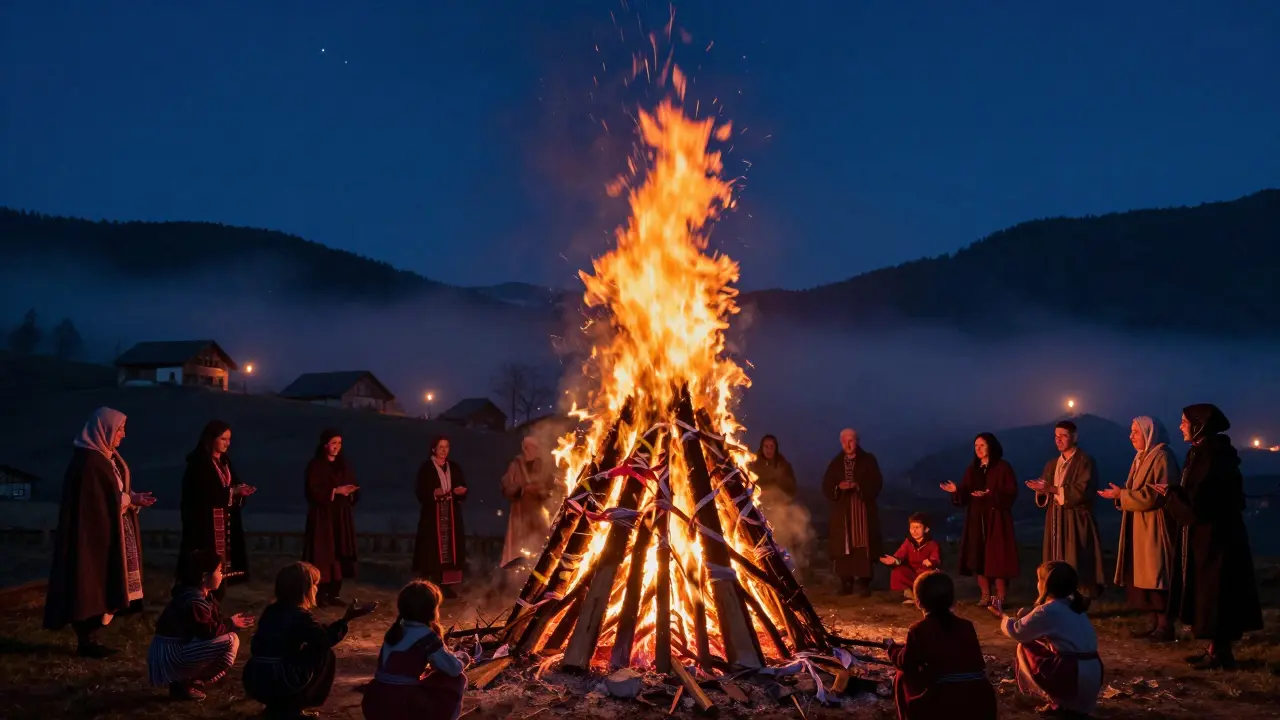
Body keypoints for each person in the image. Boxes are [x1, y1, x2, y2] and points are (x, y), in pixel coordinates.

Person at [1151, 404, 1263, 670]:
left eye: (1184, 422)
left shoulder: (1213, 455)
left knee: (1217, 592)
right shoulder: (1202, 452)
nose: (1180, 426)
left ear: (1199, 424)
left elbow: (1200, 503)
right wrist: (1175, 492)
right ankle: (1214, 649)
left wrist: (1170, 495)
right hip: (1207, 535)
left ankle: (1221, 653)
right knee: (1208, 591)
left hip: (1217, 537)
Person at [43, 407, 156, 658]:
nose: (123, 435)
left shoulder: (106, 458)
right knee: (91, 582)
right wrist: (128, 499)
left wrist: (131, 498)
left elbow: (111, 494)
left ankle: (92, 636)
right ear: (104, 429)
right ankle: (87, 639)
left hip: (107, 532)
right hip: (92, 538)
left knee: (105, 582)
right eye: (120, 429)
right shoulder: (89, 462)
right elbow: (95, 502)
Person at [242, 561, 378, 718]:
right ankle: (293, 708)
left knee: (307, 651)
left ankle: (276, 707)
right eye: (315, 584)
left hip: (254, 678)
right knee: (324, 654)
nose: (317, 589)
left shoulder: (271, 610)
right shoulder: (300, 615)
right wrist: (347, 619)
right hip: (278, 677)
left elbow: (317, 634)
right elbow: (324, 639)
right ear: (304, 589)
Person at [1097, 416, 1179, 641]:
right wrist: (1122, 492)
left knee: (1156, 574)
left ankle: (1165, 626)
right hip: (1140, 523)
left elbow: (1155, 495)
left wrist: (1121, 495)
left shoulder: (1162, 457)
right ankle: (1154, 624)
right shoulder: (1141, 457)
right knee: (1143, 575)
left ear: (1149, 433)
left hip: (1154, 525)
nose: (1131, 436)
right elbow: (1138, 490)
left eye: (1136, 432)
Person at [885, 571, 997, 720]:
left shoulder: (919, 629)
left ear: (918, 602)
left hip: (944, 703)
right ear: (953, 601)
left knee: (902, 675)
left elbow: (906, 663)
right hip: (981, 700)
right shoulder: (966, 626)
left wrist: (892, 648)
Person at [1000, 561, 1103, 718]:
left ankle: (1058, 700)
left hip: (1074, 675)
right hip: (1093, 672)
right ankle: (1067, 704)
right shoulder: (1073, 606)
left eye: (1039, 580)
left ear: (1045, 585)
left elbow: (1017, 632)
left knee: (1025, 646)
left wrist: (1002, 615)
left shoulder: (1049, 610)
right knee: (1046, 645)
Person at [148, 549, 254, 700]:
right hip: (170, 653)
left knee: (228, 638)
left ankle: (185, 682)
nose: (222, 574)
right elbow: (208, 631)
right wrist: (231, 623)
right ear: (205, 576)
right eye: (219, 570)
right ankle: (188, 682)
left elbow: (211, 625)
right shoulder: (194, 601)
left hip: (173, 648)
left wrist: (229, 622)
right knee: (231, 640)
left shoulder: (199, 596)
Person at [361, 580, 471, 720]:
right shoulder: (426, 636)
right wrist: (462, 657)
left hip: (374, 698)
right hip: (401, 702)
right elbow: (453, 668)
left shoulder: (396, 630)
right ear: (431, 609)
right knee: (457, 679)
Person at [177, 420, 256, 602]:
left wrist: (240, 491)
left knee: (221, 573)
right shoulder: (199, 465)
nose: (227, 443)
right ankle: (197, 607)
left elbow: (232, 484)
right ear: (211, 439)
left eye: (229, 439)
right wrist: (231, 492)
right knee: (203, 573)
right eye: (223, 439)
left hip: (224, 524)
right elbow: (201, 495)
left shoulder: (225, 463)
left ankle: (214, 610)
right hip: (204, 527)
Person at [1025, 421, 1105, 598]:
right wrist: (1041, 491)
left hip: (1075, 519)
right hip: (1055, 519)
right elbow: (1046, 490)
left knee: (1076, 558)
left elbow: (1082, 490)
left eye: (1063, 435)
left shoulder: (1085, 461)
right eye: (1056, 436)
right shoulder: (1052, 464)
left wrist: (1052, 489)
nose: (1058, 439)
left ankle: (1078, 597)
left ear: (1074, 437)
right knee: (1054, 558)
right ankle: (1054, 594)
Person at [941, 432, 1020, 608]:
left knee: (997, 558)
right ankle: (985, 595)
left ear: (991, 446)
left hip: (996, 517)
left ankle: (1000, 596)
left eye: (982, 445)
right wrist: (957, 490)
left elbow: (1011, 492)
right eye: (976, 446)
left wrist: (991, 495)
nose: (978, 449)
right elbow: (966, 493)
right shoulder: (973, 469)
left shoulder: (1003, 468)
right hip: (976, 517)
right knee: (978, 556)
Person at [821, 428, 884, 596]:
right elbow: (827, 486)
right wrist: (838, 487)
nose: (848, 444)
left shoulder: (868, 460)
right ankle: (846, 582)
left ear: (857, 441)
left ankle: (863, 583)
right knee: (843, 545)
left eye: (851, 441)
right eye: (845, 441)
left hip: (862, 510)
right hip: (842, 511)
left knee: (863, 543)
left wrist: (859, 486)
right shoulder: (835, 463)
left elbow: (877, 482)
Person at [303, 428, 361, 607]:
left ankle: (334, 593)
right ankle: (319, 594)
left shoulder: (343, 465)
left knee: (339, 552)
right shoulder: (316, 465)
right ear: (325, 444)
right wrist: (335, 491)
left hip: (341, 515)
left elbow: (352, 484)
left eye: (340, 443)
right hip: (323, 517)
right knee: (323, 553)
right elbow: (312, 490)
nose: (337, 447)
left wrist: (351, 492)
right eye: (334, 443)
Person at [413, 436, 469, 598]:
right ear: (433, 449)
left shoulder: (454, 467)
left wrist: (461, 491)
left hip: (451, 512)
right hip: (433, 514)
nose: (444, 450)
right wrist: (433, 493)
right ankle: (430, 584)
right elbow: (420, 490)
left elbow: (462, 485)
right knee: (432, 548)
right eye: (441, 447)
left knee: (451, 549)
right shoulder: (426, 468)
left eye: (446, 447)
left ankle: (446, 585)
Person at [499, 437, 556, 570]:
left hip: (538, 510)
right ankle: (516, 573)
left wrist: (542, 491)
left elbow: (550, 487)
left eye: (537, 447)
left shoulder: (542, 466)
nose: (536, 450)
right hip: (520, 511)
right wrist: (522, 489)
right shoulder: (515, 465)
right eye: (532, 447)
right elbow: (506, 487)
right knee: (519, 547)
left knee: (541, 544)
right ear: (525, 448)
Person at [880, 513, 941, 603]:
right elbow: (900, 555)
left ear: (926, 529)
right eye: (912, 528)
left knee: (933, 579)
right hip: (912, 574)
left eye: (918, 527)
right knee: (897, 572)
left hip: (925, 575)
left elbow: (936, 559)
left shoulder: (932, 544)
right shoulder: (908, 542)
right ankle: (910, 595)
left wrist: (931, 562)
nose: (914, 530)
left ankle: (923, 596)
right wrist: (895, 561)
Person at [746, 434, 798, 512]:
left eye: (771, 446)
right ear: (762, 447)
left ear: (775, 448)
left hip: (778, 510)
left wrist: (774, 492)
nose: (769, 449)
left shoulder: (783, 466)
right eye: (766, 446)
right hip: (755, 508)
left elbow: (791, 490)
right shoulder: (753, 464)